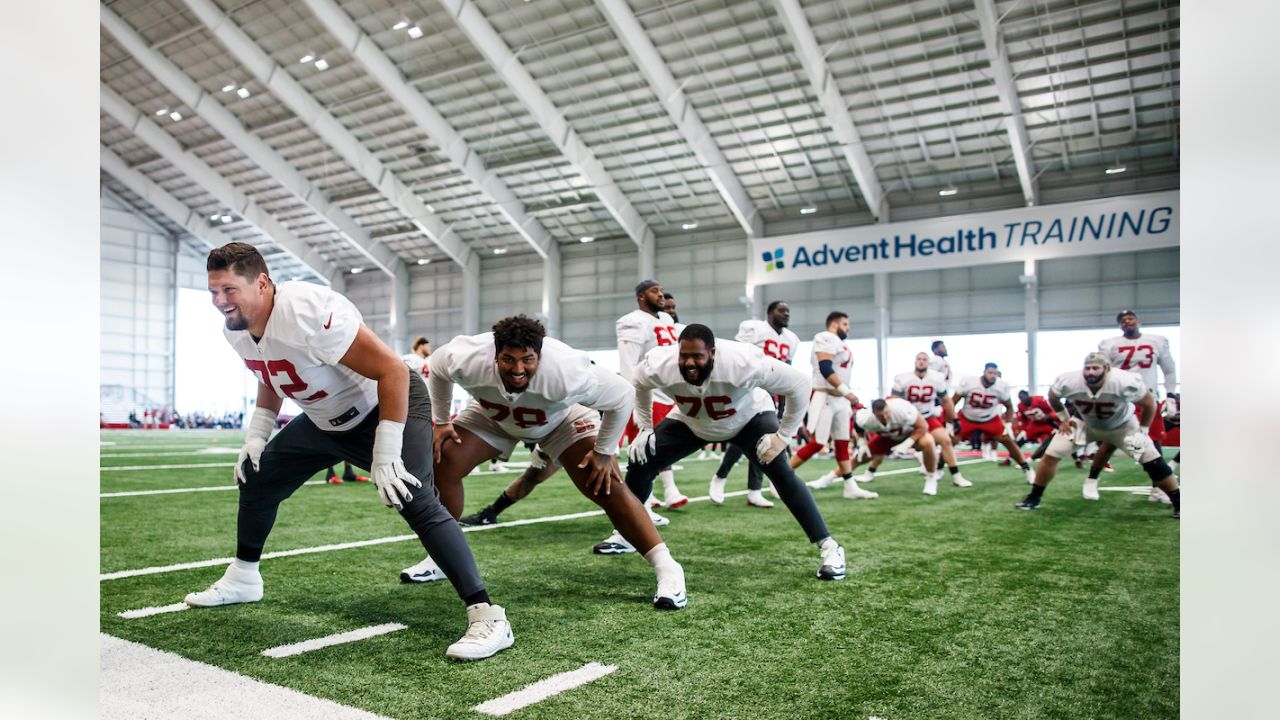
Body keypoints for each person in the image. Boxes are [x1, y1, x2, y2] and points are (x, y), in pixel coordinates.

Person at [187, 242, 511, 662]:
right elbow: (269, 372)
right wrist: (257, 435)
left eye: (229, 290)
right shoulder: (239, 329)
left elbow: (392, 370)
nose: (220, 302)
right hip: (325, 420)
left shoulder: (305, 310)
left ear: (262, 283)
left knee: (414, 498)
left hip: (388, 403)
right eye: (213, 292)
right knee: (259, 477)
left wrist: (387, 447)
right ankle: (244, 577)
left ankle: (488, 615)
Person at [401, 315, 687, 609]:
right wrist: (442, 421)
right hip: (493, 416)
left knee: (603, 483)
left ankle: (668, 568)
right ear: (494, 354)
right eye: (508, 359)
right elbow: (437, 366)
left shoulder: (566, 371)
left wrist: (603, 452)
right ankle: (440, 557)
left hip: (560, 420)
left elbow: (622, 394)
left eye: (527, 359)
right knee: (443, 458)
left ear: (539, 354)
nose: (518, 369)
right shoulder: (467, 356)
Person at [601, 324, 849, 581]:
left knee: (780, 471)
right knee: (641, 461)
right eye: (684, 356)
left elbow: (799, 383)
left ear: (713, 353)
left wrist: (783, 437)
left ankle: (829, 547)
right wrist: (644, 427)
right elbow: (639, 385)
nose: (689, 363)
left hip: (749, 418)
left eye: (697, 356)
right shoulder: (659, 363)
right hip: (693, 421)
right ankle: (627, 533)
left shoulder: (743, 362)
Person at [1016, 352, 1180, 518]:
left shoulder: (1123, 381)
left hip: (1122, 426)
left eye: (1095, 368)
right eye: (1087, 368)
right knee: (1051, 455)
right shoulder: (1070, 381)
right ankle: (1034, 498)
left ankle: (1179, 503)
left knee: (1153, 462)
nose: (1090, 372)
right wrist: (1064, 419)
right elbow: (1053, 396)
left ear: (1107, 369)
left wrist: (1143, 430)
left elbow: (1150, 403)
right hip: (1084, 423)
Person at [709, 300, 801, 508]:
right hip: (751, 389)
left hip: (772, 393)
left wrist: (783, 404)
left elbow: (787, 372)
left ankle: (755, 490)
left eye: (788, 311)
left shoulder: (791, 339)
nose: (786, 314)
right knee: (743, 438)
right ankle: (720, 477)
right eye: (781, 310)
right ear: (769, 313)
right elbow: (735, 355)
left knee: (764, 439)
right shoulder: (755, 329)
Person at [1096, 310, 1179, 502]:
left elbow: (1169, 370)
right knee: (1110, 442)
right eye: (1123, 320)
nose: (1127, 322)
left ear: (1138, 321)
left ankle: (1158, 487)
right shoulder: (1110, 344)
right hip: (1121, 399)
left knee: (1153, 442)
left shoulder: (1157, 340)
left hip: (1146, 396)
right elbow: (1103, 372)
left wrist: (1171, 395)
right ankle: (1092, 480)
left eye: (1130, 318)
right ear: (1120, 326)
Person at [617, 279, 687, 509]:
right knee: (644, 451)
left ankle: (658, 495)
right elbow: (628, 365)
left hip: (668, 393)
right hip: (648, 395)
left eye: (662, 291)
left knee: (662, 448)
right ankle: (643, 504)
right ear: (641, 296)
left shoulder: (666, 319)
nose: (661, 295)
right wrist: (635, 402)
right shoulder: (632, 321)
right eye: (654, 291)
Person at [795, 312, 878, 499]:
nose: (848, 328)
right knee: (817, 443)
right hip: (826, 396)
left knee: (842, 443)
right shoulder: (825, 337)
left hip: (839, 399)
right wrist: (847, 392)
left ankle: (849, 486)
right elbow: (825, 368)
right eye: (845, 323)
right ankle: (781, 477)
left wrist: (845, 394)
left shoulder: (841, 344)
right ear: (834, 323)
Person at [889, 352, 969, 489]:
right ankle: (869, 472)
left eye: (924, 359)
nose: (921, 361)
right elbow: (893, 400)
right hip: (908, 419)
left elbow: (946, 400)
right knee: (884, 445)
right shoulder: (903, 378)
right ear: (915, 361)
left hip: (928, 417)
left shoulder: (937, 378)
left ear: (928, 363)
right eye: (919, 359)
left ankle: (956, 476)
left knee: (946, 440)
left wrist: (954, 419)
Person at [951, 363, 1036, 484]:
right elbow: (952, 402)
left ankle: (1027, 470)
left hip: (989, 419)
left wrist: (1007, 423)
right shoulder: (969, 382)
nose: (993, 376)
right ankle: (938, 469)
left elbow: (1009, 406)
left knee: (1009, 442)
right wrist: (952, 420)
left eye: (995, 373)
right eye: (990, 373)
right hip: (967, 418)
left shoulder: (1002, 386)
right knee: (949, 442)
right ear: (984, 372)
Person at [849, 398, 943, 495]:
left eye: (886, 413)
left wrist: (906, 444)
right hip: (888, 436)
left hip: (909, 432)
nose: (885, 417)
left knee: (928, 442)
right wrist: (861, 441)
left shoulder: (902, 409)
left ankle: (933, 478)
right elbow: (857, 424)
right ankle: (838, 476)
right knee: (863, 456)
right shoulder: (866, 418)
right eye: (881, 416)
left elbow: (923, 426)